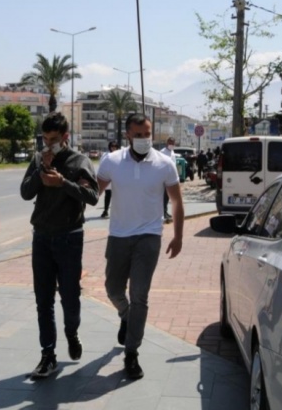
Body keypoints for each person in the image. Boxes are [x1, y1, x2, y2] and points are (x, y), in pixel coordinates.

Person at [96, 113, 184, 380]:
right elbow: (92, 193)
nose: (144, 139)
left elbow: (177, 202)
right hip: (118, 236)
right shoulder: (111, 161)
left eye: (147, 134)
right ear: (127, 135)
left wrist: (178, 236)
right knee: (113, 289)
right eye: (138, 135)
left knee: (140, 295)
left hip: (149, 236)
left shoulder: (165, 164)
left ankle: (131, 353)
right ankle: (126, 316)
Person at [20, 112, 99, 378]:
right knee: (43, 300)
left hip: (69, 238)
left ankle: (72, 333)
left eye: (53, 139)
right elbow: (25, 193)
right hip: (42, 237)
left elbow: (92, 196)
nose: (48, 144)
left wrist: (62, 182)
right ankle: (48, 355)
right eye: (44, 138)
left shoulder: (80, 161)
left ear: (65, 137)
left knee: (70, 296)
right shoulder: (38, 159)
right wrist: (41, 170)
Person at [159, 137, 177, 221]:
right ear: (167, 143)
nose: (171, 145)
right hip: (163, 178)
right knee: (163, 197)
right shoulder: (162, 152)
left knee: (167, 197)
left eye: (173, 143)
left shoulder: (172, 152)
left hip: (170, 178)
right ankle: (163, 213)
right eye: (170, 143)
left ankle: (165, 211)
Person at [100, 141, 119, 218]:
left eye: (115, 146)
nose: (113, 148)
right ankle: (105, 211)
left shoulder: (120, 155)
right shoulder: (105, 155)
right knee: (108, 195)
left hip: (117, 178)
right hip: (108, 178)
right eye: (112, 146)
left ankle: (118, 213)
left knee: (118, 196)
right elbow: (102, 165)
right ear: (109, 147)